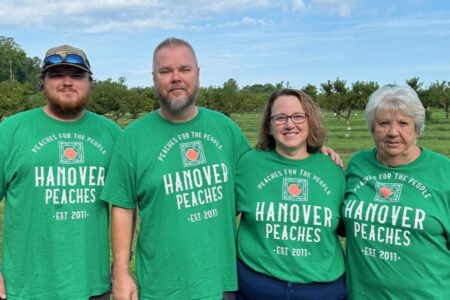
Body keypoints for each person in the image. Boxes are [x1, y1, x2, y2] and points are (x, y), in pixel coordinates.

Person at [100, 37, 250, 300]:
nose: (176, 78)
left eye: (184, 69)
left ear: (198, 74)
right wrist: (121, 272)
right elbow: (123, 207)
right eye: (165, 71)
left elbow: (259, 176)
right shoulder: (133, 138)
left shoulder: (225, 129)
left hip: (221, 281)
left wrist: (313, 151)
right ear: (154, 78)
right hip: (162, 286)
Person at [0, 45, 121, 299]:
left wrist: (122, 269)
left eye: (77, 75)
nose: (67, 82)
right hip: (27, 289)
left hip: (93, 286)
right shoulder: (10, 132)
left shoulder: (112, 134)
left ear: (90, 82)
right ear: (42, 82)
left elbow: (130, 204)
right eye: (56, 75)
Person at [235, 88, 347, 300]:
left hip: (322, 289)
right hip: (257, 286)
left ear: (310, 120)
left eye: (298, 116)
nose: (289, 124)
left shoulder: (333, 169)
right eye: (279, 118)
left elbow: (344, 229)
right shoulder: (248, 164)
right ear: (268, 125)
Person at [343, 85, 450, 299]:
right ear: (372, 128)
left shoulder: (443, 172)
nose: (393, 132)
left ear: (417, 128)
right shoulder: (357, 165)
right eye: (384, 123)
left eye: (403, 123)